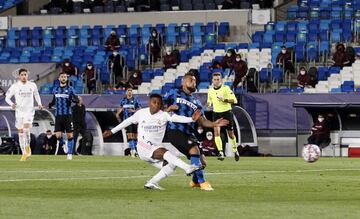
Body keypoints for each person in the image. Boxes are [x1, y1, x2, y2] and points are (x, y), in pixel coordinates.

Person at [103, 94, 202, 190]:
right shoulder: (141, 113)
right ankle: (187, 168)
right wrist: (112, 131)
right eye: (154, 102)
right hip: (143, 147)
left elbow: (176, 118)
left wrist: (191, 119)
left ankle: (152, 182)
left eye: (159, 103)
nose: (157, 105)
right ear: (149, 103)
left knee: (172, 164)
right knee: (164, 152)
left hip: (154, 149)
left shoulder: (164, 115)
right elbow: (127, 121)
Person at [163, 72, 229, 191]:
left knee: (203, 162)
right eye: (191, 80)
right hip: (175, 130)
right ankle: (203, 183)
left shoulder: (196, 102)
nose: (194, 83)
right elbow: (159, 107)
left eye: (195, 81)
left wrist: (214, 124)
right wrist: (167, 109)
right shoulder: (173, 93)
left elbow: (203, 122)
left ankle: (194, 182)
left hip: (189, 133)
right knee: (194, 150)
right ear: (183, 82)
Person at [5, 68, 43, 161]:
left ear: (27, 75)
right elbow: (7, 98)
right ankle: (24, 153)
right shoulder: (15, 86)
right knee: (21, 132)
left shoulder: (32, 85)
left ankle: (27, 147)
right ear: (19, 76)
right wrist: (12, 104)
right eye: (22, 75)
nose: (24, 76)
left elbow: (36, 94)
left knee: (26, 128)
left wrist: (39, 103)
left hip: (29, 111)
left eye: (25, 74)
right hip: (19, 112)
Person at [207, 72, 239, 161]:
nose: (216, 81)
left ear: (221, 80)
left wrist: (224, 100)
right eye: (215, 79)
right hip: (216, 113)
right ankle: (221, 152)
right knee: (216, 133)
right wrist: (209, 104)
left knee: (231, 134)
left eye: (218, 79)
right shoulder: (210, 90)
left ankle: (235, 150)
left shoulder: (226, 89)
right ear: (212, 80)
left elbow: (235, 100)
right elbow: (209, 100)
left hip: (226, 113)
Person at [48, 72, 79, 160]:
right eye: (62, 76)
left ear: (67, 79)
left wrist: (72, 100)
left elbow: (76, 99)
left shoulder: (70, 89)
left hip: (67, 115)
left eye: (65, 77)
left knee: (70, 135)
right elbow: (54, 100)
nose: (64, 78)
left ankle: (69, 154)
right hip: (58, 115)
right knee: (58, 136)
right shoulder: (55, 89)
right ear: (59, 78)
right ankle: (64, 144)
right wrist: (51, 104)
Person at [116, 86, 141, 157]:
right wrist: (117, 114)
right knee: (130, 134)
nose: (130, 92)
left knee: (135, 135)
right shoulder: (123, 100)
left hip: (134, 120)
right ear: (126, 92)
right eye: (128, 90)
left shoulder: (135, 100)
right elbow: (121, 108)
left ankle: (135, 149)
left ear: (132, 92)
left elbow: (139, 109)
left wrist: (133, 110)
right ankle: (133, 150)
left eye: (131, 90)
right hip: (127, 120)